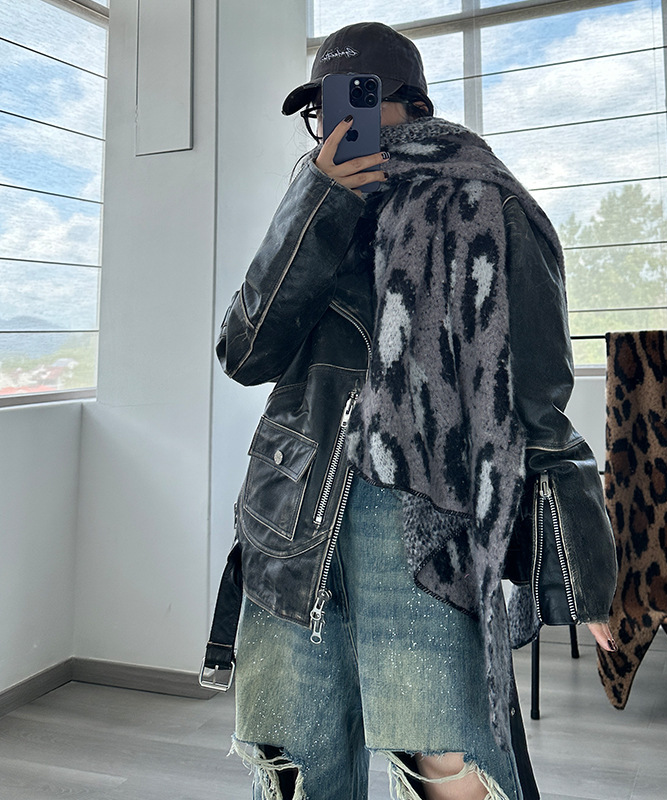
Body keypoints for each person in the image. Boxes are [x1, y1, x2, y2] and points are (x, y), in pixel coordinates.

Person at [203, 20, 618, 800]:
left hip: (424, 529)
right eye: (321, 107)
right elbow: (245, 352)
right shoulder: (315, 203)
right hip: (292, 520)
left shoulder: (491, 203)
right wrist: (318, 203)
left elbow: (535, 398)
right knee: (295, 770)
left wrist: (584, 561)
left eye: (353, 99)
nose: (333, 122)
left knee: (449, 773)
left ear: (413, 104)